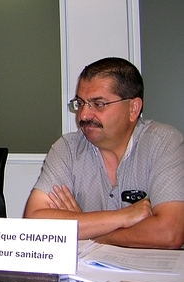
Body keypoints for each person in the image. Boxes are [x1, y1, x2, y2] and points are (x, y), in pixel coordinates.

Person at [24, 57, 184, 249]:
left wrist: (88, 229)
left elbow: (169, 233)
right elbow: (35, 223)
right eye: (80, 103)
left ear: (133, 108)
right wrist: (123, 217)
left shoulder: (163, 142)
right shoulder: (67, 148)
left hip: (149, 276)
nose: (83, 115)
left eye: (98, 104)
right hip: (89, 277)